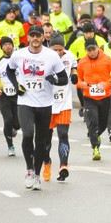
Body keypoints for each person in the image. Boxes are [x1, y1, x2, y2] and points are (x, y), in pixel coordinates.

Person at [6, 25, 68, 190]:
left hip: (45, 104)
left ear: (42, 38)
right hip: (25, 102)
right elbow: (9, 70)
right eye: (32, 36)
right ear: (28, 38)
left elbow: (64, 79)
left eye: (38, 36)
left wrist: (54, 80)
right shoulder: (19, 55)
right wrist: (16, 85)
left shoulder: (51, 56)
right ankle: (29, 170)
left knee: (41, 142)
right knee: (27, 135)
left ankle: (36, 175)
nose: (35, 39)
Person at [76, 38, 111, 161]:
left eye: (93, 49)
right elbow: (77, 80)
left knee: (103, 123)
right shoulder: (83, 62)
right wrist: (81, 84)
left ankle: (97, 135)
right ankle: (95, 147)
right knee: (93, 121)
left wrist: (108, 83)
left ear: (97, 48)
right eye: (89, 50)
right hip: (89, 97)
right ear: (86, 51)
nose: (92, 52)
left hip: (105, 96)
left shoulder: (106, 59)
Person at [47, 33, 78, 181]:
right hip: (46, 103)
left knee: (63, 134)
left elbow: (74, 66)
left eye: (61, 49)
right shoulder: (43, 56)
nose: (58, 53)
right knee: (45, 137)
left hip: (64, 102)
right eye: (55, 50)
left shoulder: (69, 56)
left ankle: (63, 166)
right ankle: (46, 161)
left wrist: (74, 74)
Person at [0, 36, 22, 156]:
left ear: (13, 46)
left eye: (10, 44)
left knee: (18, 124)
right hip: (4, 95)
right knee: (8, 120)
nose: (8, 46)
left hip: (18, 95)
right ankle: (10, 146)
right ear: (1, 47)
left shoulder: (19, 61)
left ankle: (15, 128)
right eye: (5, 45)